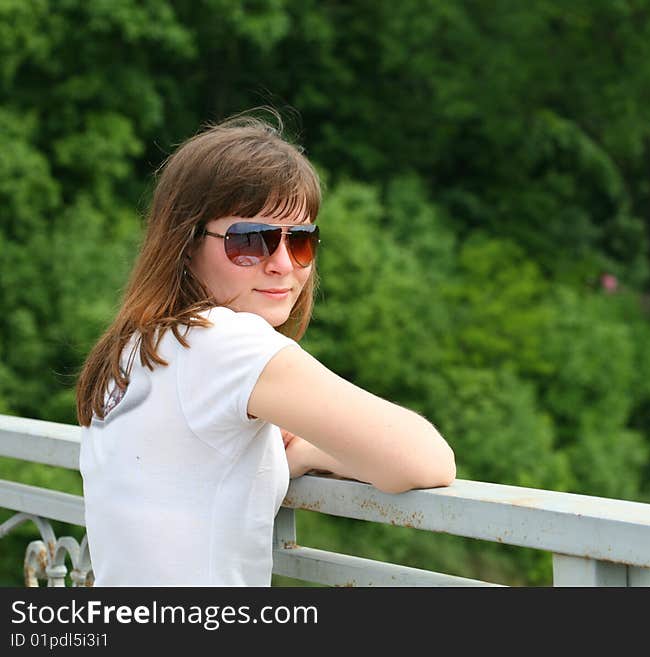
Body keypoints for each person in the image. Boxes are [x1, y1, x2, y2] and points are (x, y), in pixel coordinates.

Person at [74, 111, 456, 586]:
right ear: (186, 244)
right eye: (250, 240)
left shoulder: (138, 346)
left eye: (300, 242)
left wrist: (304, 453)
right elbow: (426, 461)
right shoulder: (225, 342)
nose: (281, 264)